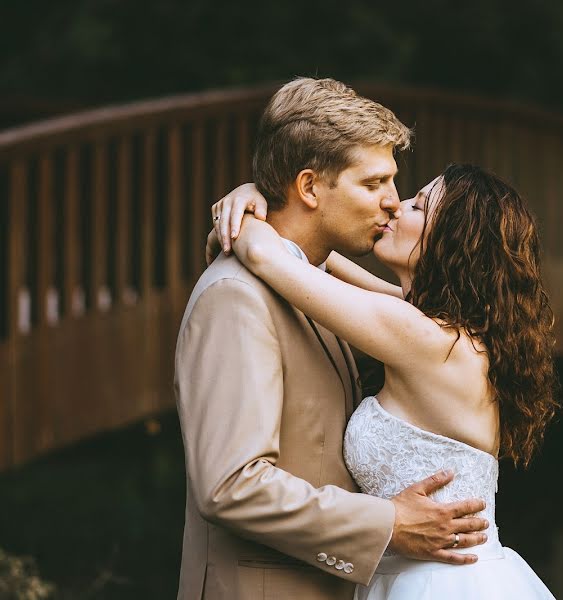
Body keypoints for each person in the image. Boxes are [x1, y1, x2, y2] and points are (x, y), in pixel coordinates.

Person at [175, 77, 490, 600]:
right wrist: (386, 521)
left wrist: (252, 213)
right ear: (309, 187)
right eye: (374, 184)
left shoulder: (315, 288)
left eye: (396, 184)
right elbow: (230, 486)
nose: (393, 203)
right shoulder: (237, 296)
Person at [207, 162, 559, 599]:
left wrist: (245, 212)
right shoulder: (447, 335)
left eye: (418, 205)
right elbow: (317, 256)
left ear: (452, 240)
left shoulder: (423, 338)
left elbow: (267, 257)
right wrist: (262, 197)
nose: (395, 206)